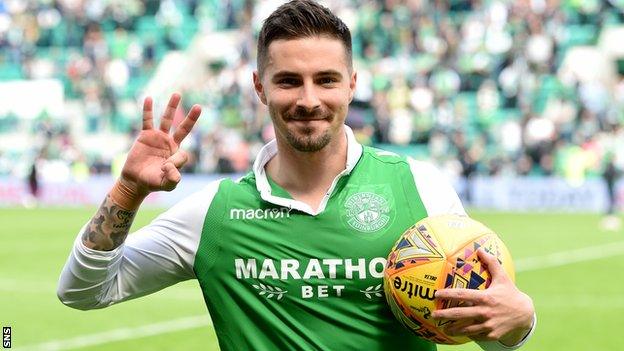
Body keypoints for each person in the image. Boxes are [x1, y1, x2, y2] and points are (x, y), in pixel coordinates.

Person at [57, 1, 536, 350]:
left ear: (352, 84)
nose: (309, 99)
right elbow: (83, 291)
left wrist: (520, 320)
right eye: (288, 81)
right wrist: (127, 191)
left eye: (326, 79)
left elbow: (489, 330)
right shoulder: (215, 215)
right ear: (260, 88)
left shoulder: (420, 187)